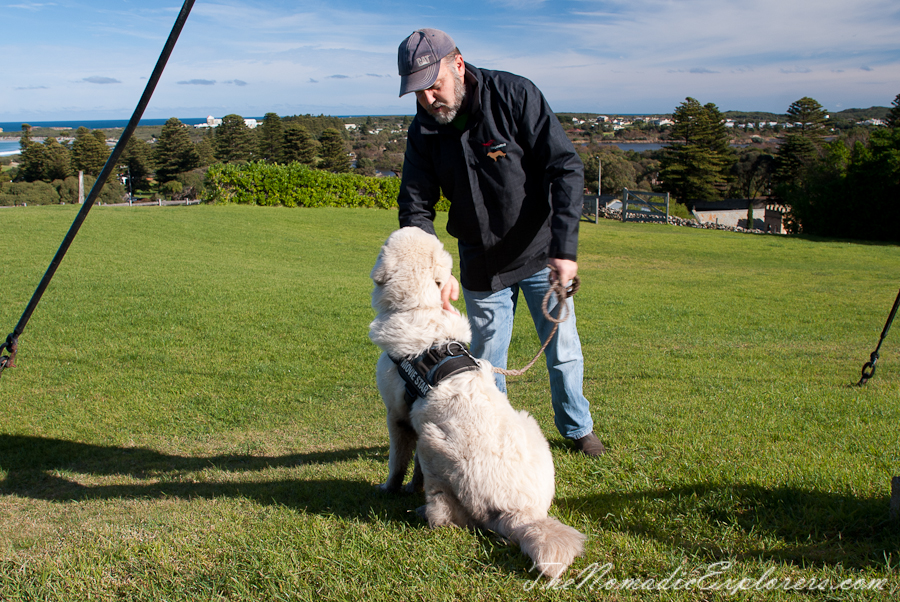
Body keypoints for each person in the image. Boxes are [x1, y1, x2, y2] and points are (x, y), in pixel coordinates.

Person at [394, 28, 605, 457]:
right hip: (480, 262)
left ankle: (577, 428)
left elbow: (565, 168)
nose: (428, 100)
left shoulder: (514, 94)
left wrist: (565, 250)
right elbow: (415, 208)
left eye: (434, 87)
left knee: (563, 349)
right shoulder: (424, 132)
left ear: (458, 65)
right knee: (487, 362)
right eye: (418, 93)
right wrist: (435, 274)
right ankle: (500, 441)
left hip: (540, 252)